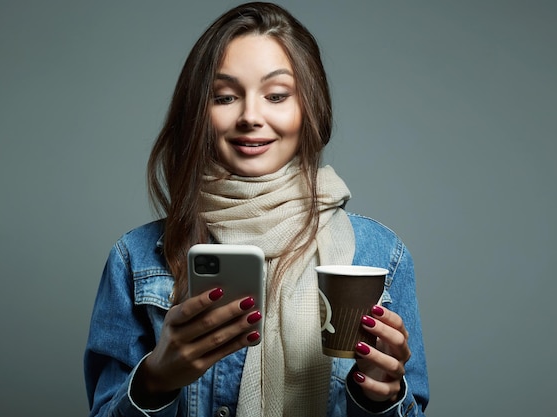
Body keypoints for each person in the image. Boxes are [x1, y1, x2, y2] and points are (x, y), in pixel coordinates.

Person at [84, 2, 429, 416]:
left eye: (277, 95)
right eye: (225, 96)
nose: (250, 116)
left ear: (309, 109)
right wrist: (155, 379)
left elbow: (409, 406)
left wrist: (384, 397)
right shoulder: (137, 257)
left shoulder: (379, 253)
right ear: (199, 111)